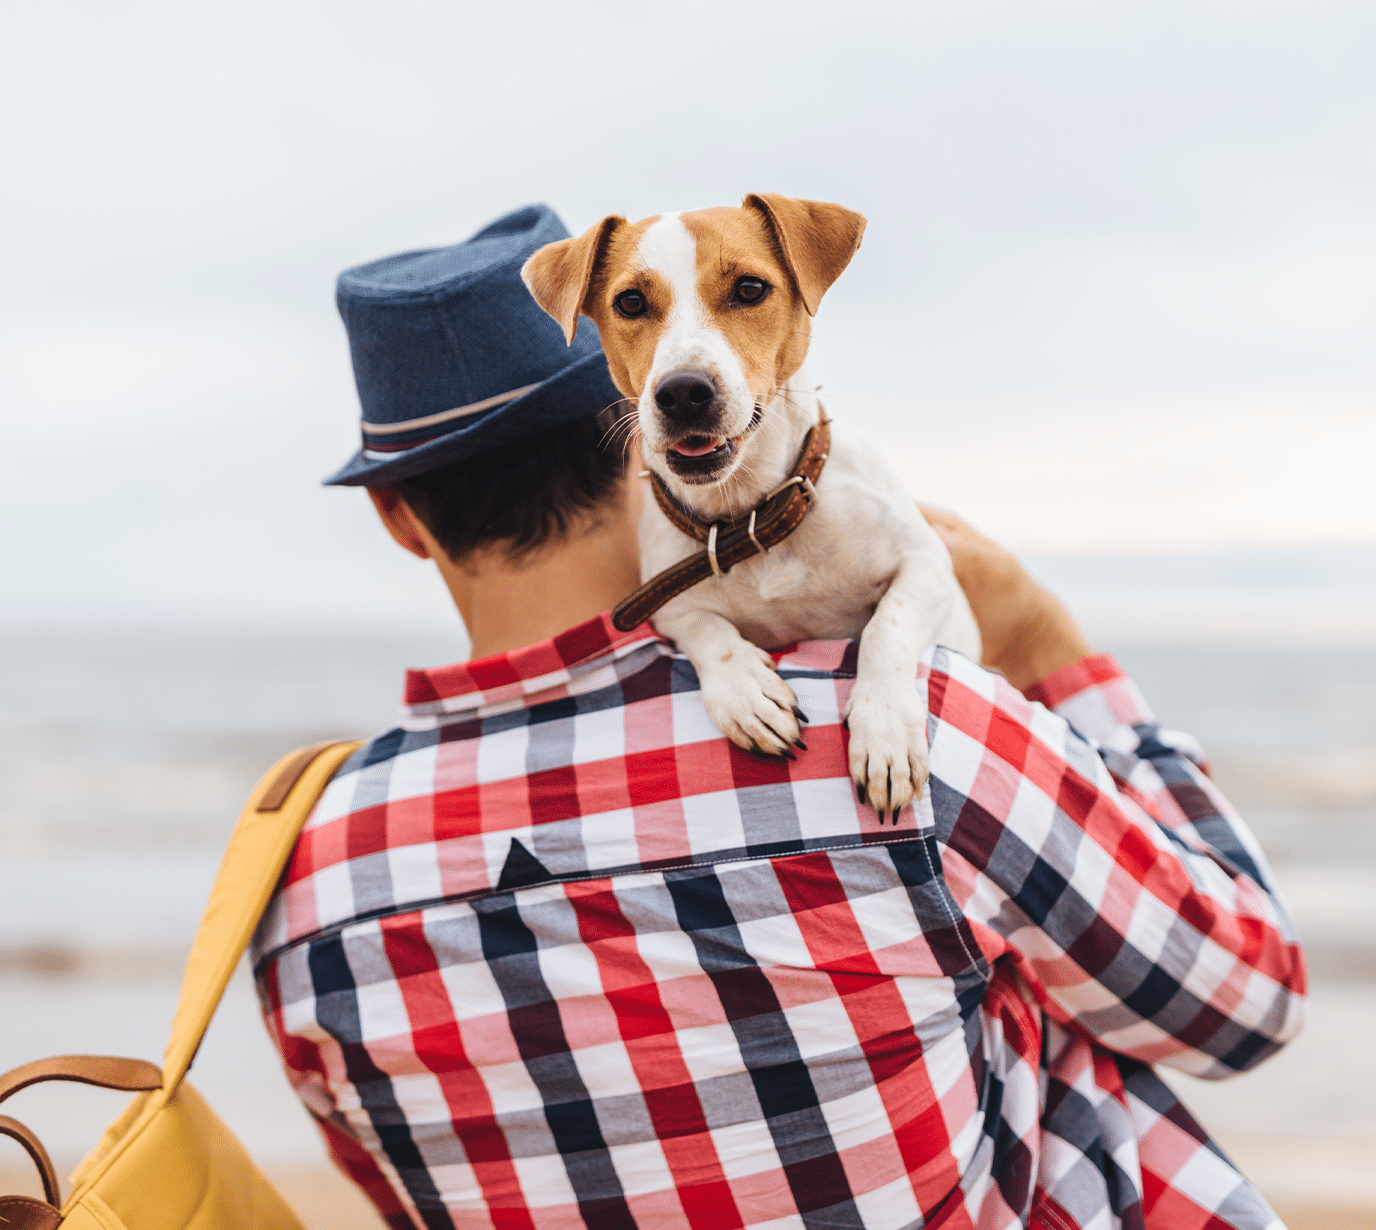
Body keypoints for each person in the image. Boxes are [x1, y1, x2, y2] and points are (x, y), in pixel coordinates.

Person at [251, 205, 1305, 1230]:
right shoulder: (905, 734)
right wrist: (1048, 647)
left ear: (395, 517)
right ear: (648, 417)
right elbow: (1247, 1002)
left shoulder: (301, 888)